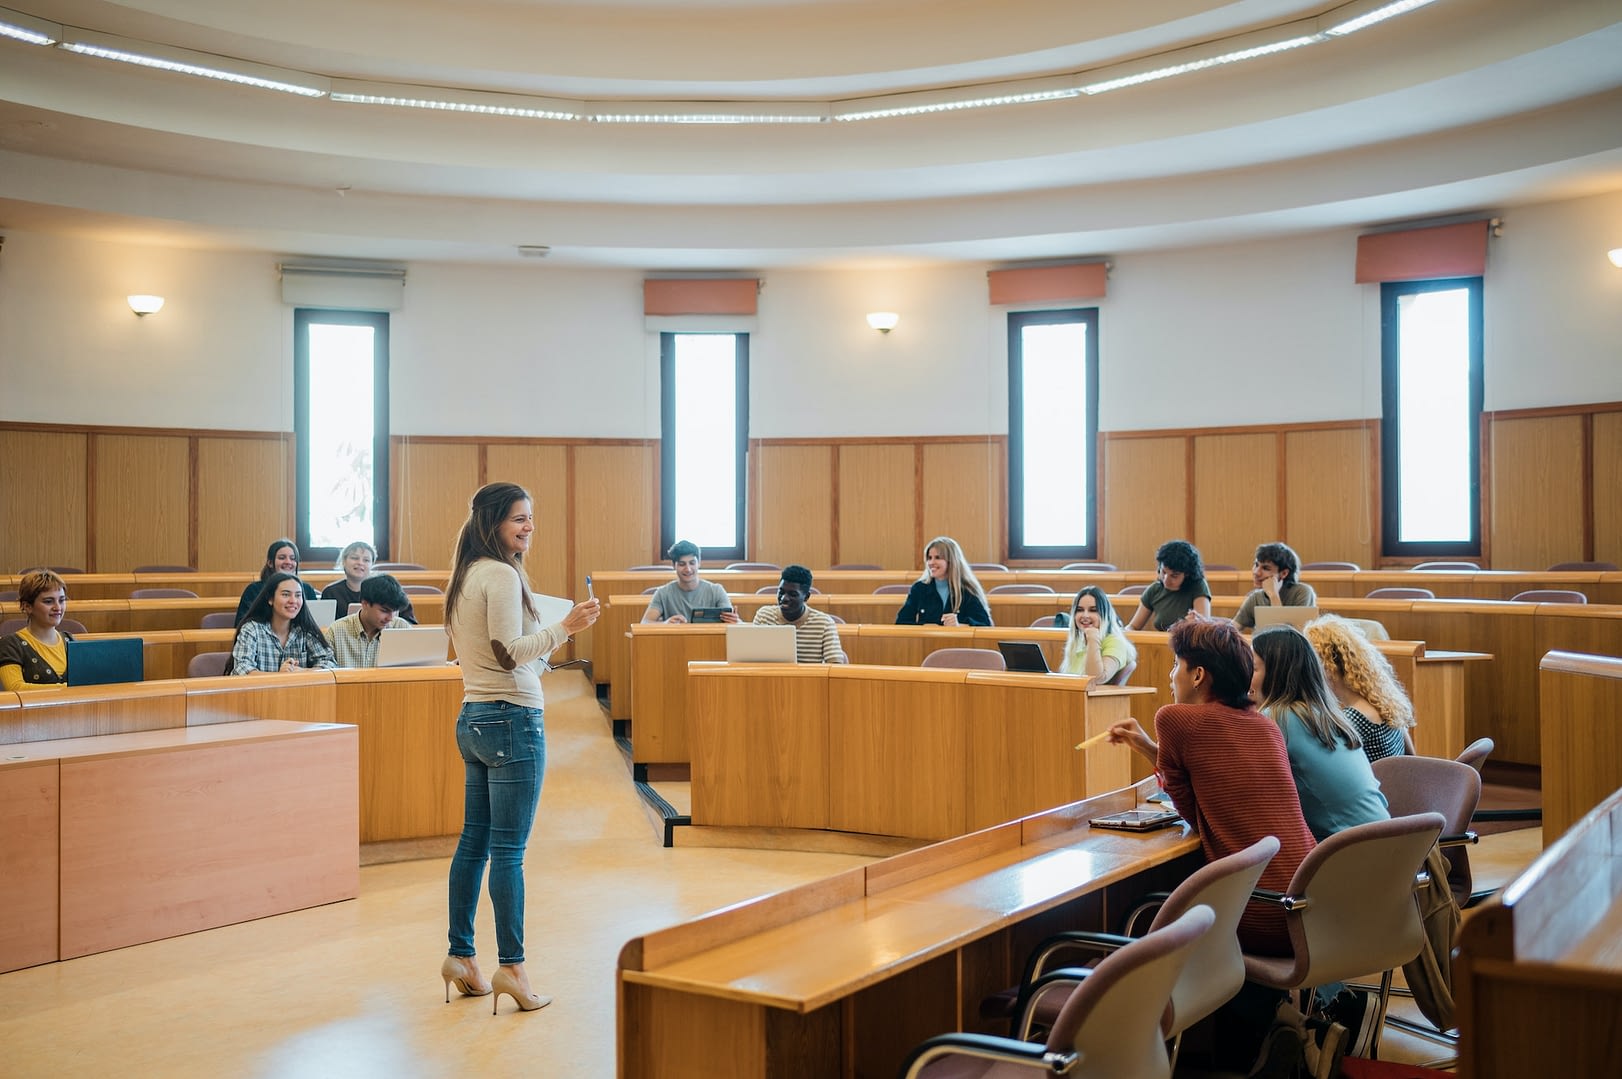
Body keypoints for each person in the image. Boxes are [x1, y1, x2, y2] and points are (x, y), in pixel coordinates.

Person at [441, 481, 600, 1015]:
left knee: (473, 844)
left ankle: (461, 957)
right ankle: (512, 967)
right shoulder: (502, 575)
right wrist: (566, 627)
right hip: (511, 719)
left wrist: (544, 646)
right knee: (508, 852)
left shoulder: (466, 574)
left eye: (531, 517)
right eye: (517, 519)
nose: (528, 526)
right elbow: (509, 656)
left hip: (474, 716)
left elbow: (493, 654)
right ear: (493, 523)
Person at [1106, 618, 1315, 957]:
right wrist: (1148, 748)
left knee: (1143, 915)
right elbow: (1216, 771)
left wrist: (1160, 755)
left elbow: (1194, 813)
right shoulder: (1265, 725)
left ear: (1198, 675)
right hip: (1307, 905)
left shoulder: (1174, 718)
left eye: (1177, 665)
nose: (1171, 675)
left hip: (1258, 910)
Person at [1251, 624, 1388, 841]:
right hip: (1392, 848)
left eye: (1254, 668)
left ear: (1276, 673)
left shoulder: (1275, 718)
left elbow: (1247, 792)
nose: (1246, 676)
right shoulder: (1330, 715)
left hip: (1349, 856)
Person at [1304, 614, 1415, 762]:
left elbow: (1328, 769)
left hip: (1377, 784)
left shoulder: (1353, 719)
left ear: (1328, 667)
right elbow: (1413, 758)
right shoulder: (1383, 703)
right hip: (1397, 784)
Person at [229, 571, 337, 674]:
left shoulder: (305, 629)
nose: (293, 601)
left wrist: (302, 672)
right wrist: (280, 676)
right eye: (286, 595)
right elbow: (241, 670)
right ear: (270, 599)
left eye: (298, 595)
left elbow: (330, 663)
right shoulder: (251, 629)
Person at [751, 565, 846, 663]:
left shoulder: (824, 623)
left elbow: (835, 665)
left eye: (792, 594)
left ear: (806, 597)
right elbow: (751, 657)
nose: (784, 598)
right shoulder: (764, 616)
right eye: (781, 592)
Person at [0, 569, 73, 690]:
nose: (58, 607)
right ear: (27, 606)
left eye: (62, 600)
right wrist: (65, 689)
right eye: (48, 601)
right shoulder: (10, 645)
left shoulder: (69, 640)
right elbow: (15, 688)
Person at [895, 536, 992, 626]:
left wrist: (960, 625)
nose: (931, 563)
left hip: (958, 643)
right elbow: (901, 622)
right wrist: (924, 627)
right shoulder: (919, 588)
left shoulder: (967, 589)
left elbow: (985, 624)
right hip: (927, 642)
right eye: (929, 558)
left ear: (951, 561)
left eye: (937, 558)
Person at [324, 574, 412, 668]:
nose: (390, 618)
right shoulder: (337, 631)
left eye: (394, 611)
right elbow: (325, 670)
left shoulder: (402, 628)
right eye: (384, 611)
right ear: (365, 604)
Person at [641, 540, 738, 624]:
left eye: (692, 563)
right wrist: (665, 624)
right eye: (682, 564)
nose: (688, 569)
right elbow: (645, 622)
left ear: (699, 563)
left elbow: (734, 622)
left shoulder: (716, 590)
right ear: (674, 566)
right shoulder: (662, 593)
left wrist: (734, 620)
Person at [321, 540, 418, 623]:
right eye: (354, 558)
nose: (360, 563)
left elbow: (409, 624)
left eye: (366, 560)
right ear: (343, 562)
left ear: (372, 564)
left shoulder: (388, 589)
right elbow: (324, 626)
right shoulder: (331, 592)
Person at [1125, 539, 1212, 630]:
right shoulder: (1154, 590)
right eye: (1163, 572)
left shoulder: (1198, 586)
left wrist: (1190, 624)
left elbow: (1203, 626)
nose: (1166, 580)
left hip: (1187, 643)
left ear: (1187, 574)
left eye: (1174, 576)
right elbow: (1133, 626)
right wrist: (1125, 631)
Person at [1058, 585, 1135, 682]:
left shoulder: (1115, 643)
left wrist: (1093, 638)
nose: (1085, 615)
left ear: (1105, 615)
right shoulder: (1078, 642)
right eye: (1080, 610)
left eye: (1093, 610)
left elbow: (1095, 679)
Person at [1234, 542, 1318, 630]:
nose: (1256, 572)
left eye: (1266, 568)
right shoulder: (1255, 598)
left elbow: (1287, 637)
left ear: (1284, 573)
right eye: (1256, 565)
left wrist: (1273, 596)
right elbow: (1233, 628)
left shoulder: (1302, 592)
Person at [234, 538, 319, 626]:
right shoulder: (253, 590)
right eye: (282, 558)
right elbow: (241, 624)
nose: (288, 562)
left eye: (293, 558)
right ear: (270, 563)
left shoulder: (307, 589)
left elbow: (316, 622)